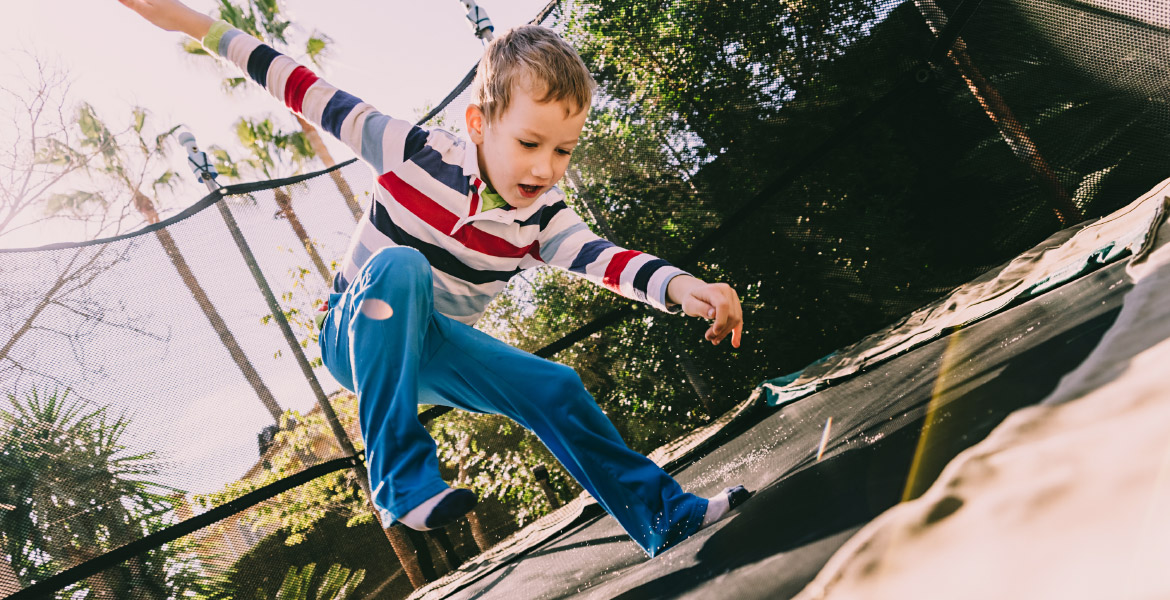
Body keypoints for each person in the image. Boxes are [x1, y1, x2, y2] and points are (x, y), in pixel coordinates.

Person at [119, 0, 751, 557]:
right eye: (530, 143)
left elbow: (606, 259)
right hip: (354, 333)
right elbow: (299, 84)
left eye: (563, 151)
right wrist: (183, 19)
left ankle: (663, 515)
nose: (545, 168)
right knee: (401, 266)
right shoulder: (408, 149)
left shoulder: (541, 221)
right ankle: (399, 476)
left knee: (555, 388)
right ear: (479, 123)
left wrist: (681, 287)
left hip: (433, 349)